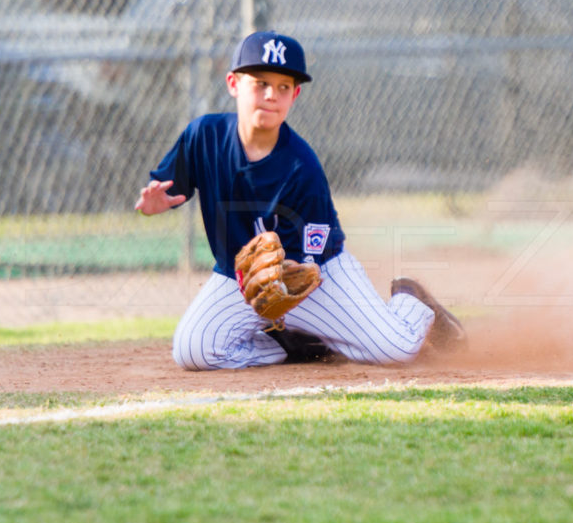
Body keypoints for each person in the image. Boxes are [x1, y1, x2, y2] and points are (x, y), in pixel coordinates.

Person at [135, 30, 466, 370]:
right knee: (194, 351)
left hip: (317, 275)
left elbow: (309, 264)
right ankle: (289, 344)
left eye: (282, 87)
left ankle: (412, 304)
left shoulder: (301, 167)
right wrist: (156, 205)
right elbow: (169, 187)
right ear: (233, 84)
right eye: (260, 83)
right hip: (240, 278)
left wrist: (281, 290)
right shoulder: (203, 136)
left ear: (295, 95)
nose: (270, 95)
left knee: (395, 349)